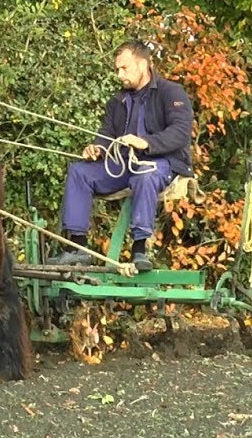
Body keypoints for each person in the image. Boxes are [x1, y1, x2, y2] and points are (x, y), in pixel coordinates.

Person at [45, 39, 194, 270]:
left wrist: (145, 142)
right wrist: (98, 148)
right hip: (123, 164)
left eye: (124, 68)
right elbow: (106, 133)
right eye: (117, 69)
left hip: (162, 162)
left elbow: (180, 133)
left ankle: (140, 249)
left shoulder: (171, 92)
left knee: (144, 174)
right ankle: (77, 247)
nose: (119, 74)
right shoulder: (118, 100)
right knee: (79, 172)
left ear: (143, 65)